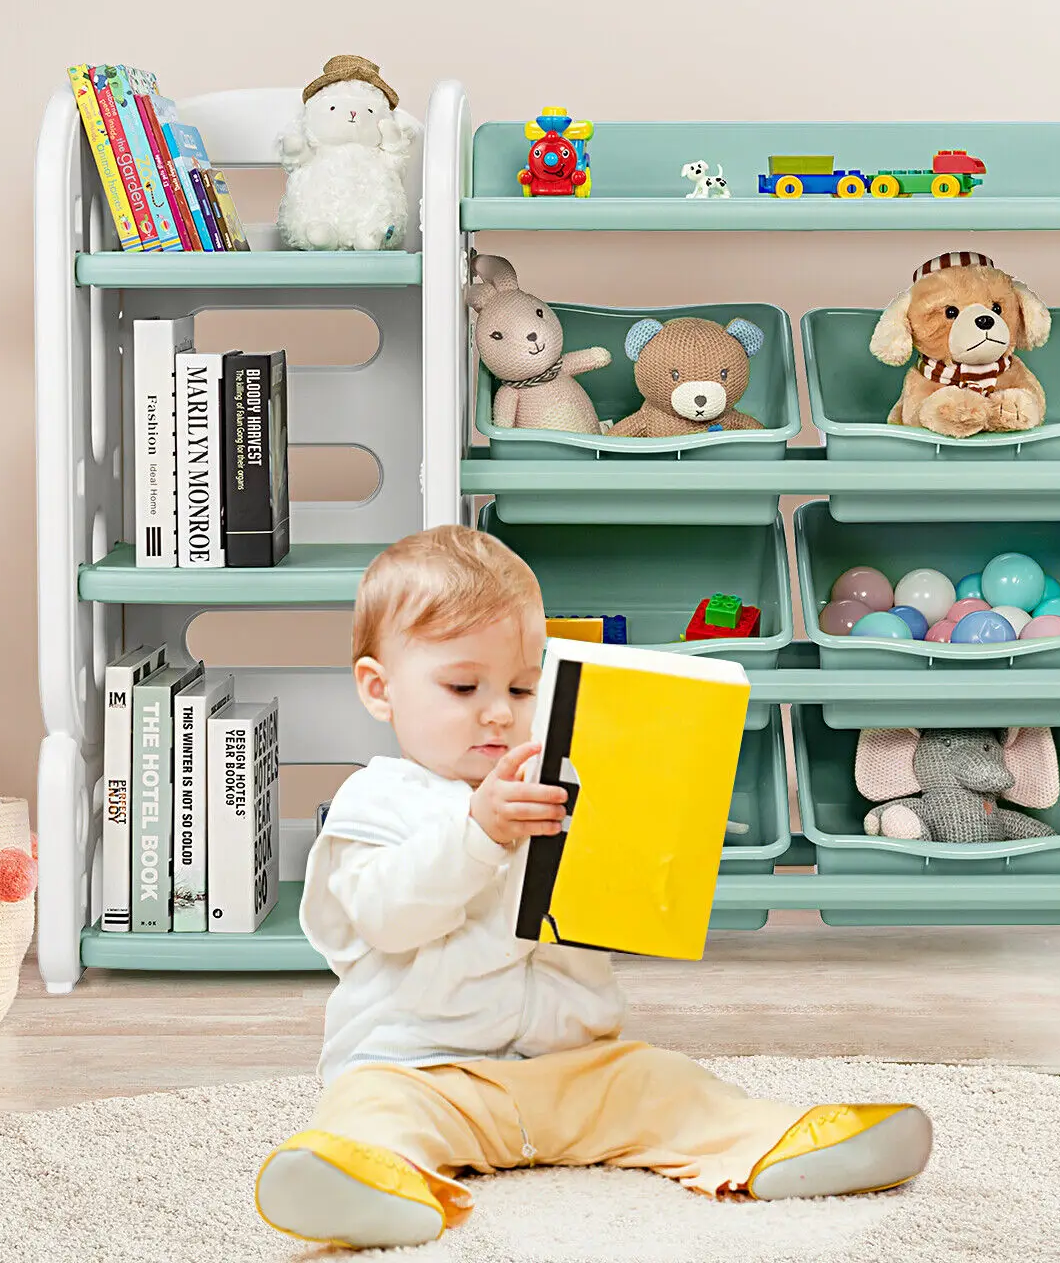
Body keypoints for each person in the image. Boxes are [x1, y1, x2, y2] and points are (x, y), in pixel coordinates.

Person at [254, 524, 931, 1250]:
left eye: (520, 686)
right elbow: (387, 916)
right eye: (462, 686)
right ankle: (365, 1181)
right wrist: (480, 834)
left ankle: (774, 1143)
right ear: (378, 689)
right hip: (424, 1070)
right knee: (368, 1109)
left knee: (663, 1083)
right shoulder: (377, 800)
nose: (497, 710)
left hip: (569, 1068)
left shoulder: (563, 781)